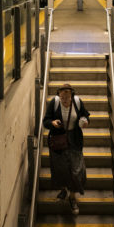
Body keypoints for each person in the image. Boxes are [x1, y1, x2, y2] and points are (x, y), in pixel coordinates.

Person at [43, 83, 91, 215]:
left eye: (67, 98)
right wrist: (52, 123)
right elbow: (45, 121)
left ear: (72, 96)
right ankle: (64, 190)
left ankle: (73, 197)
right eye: (62, 98)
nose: (65, 101)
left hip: (74, 140)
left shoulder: (77, 102)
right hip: (58, 141)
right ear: (59, 96)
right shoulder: (55, 103)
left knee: (76, 170)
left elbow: (86, 115)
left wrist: (85, 121)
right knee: (61, 169)